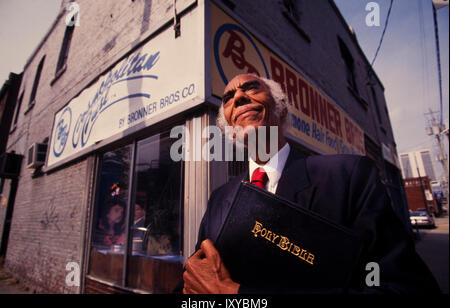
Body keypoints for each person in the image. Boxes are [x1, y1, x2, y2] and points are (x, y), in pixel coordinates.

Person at [181, 74, 441, 294]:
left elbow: (402, 285)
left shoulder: (349, 177)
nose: (238, 97)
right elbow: (195, 280)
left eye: (251, 87)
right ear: (227, 124)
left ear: (280, 105)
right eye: (228, 98)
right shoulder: (219, 199)